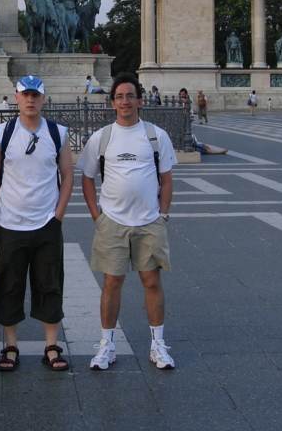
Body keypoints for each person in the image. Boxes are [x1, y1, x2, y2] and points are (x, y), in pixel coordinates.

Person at [78, 73, 177, 371]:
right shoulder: (101, 137)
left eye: (130, 96)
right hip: (112, 221)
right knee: (112, 282)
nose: (125, 101)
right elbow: (87, 177)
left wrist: (163, 214)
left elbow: (167, 179)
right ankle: (107, 344)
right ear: (112, 103)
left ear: (140, 101)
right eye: (119, 97)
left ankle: (158, 344)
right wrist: (97, 216)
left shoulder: (156, 135)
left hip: (149, 221)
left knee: (152, 281)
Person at [0, 76, 75, 372]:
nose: (30, 100)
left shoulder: (58, 132)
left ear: (43, 98)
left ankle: (51, 345)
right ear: (16, 97)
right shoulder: (2, 133)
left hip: (46, 223)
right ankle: (11, 345)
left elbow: (68, 175)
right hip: (10, 223)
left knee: (50, 284)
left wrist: (58, 215)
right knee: (8, 285)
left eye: (35, 95)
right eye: (25, 95)